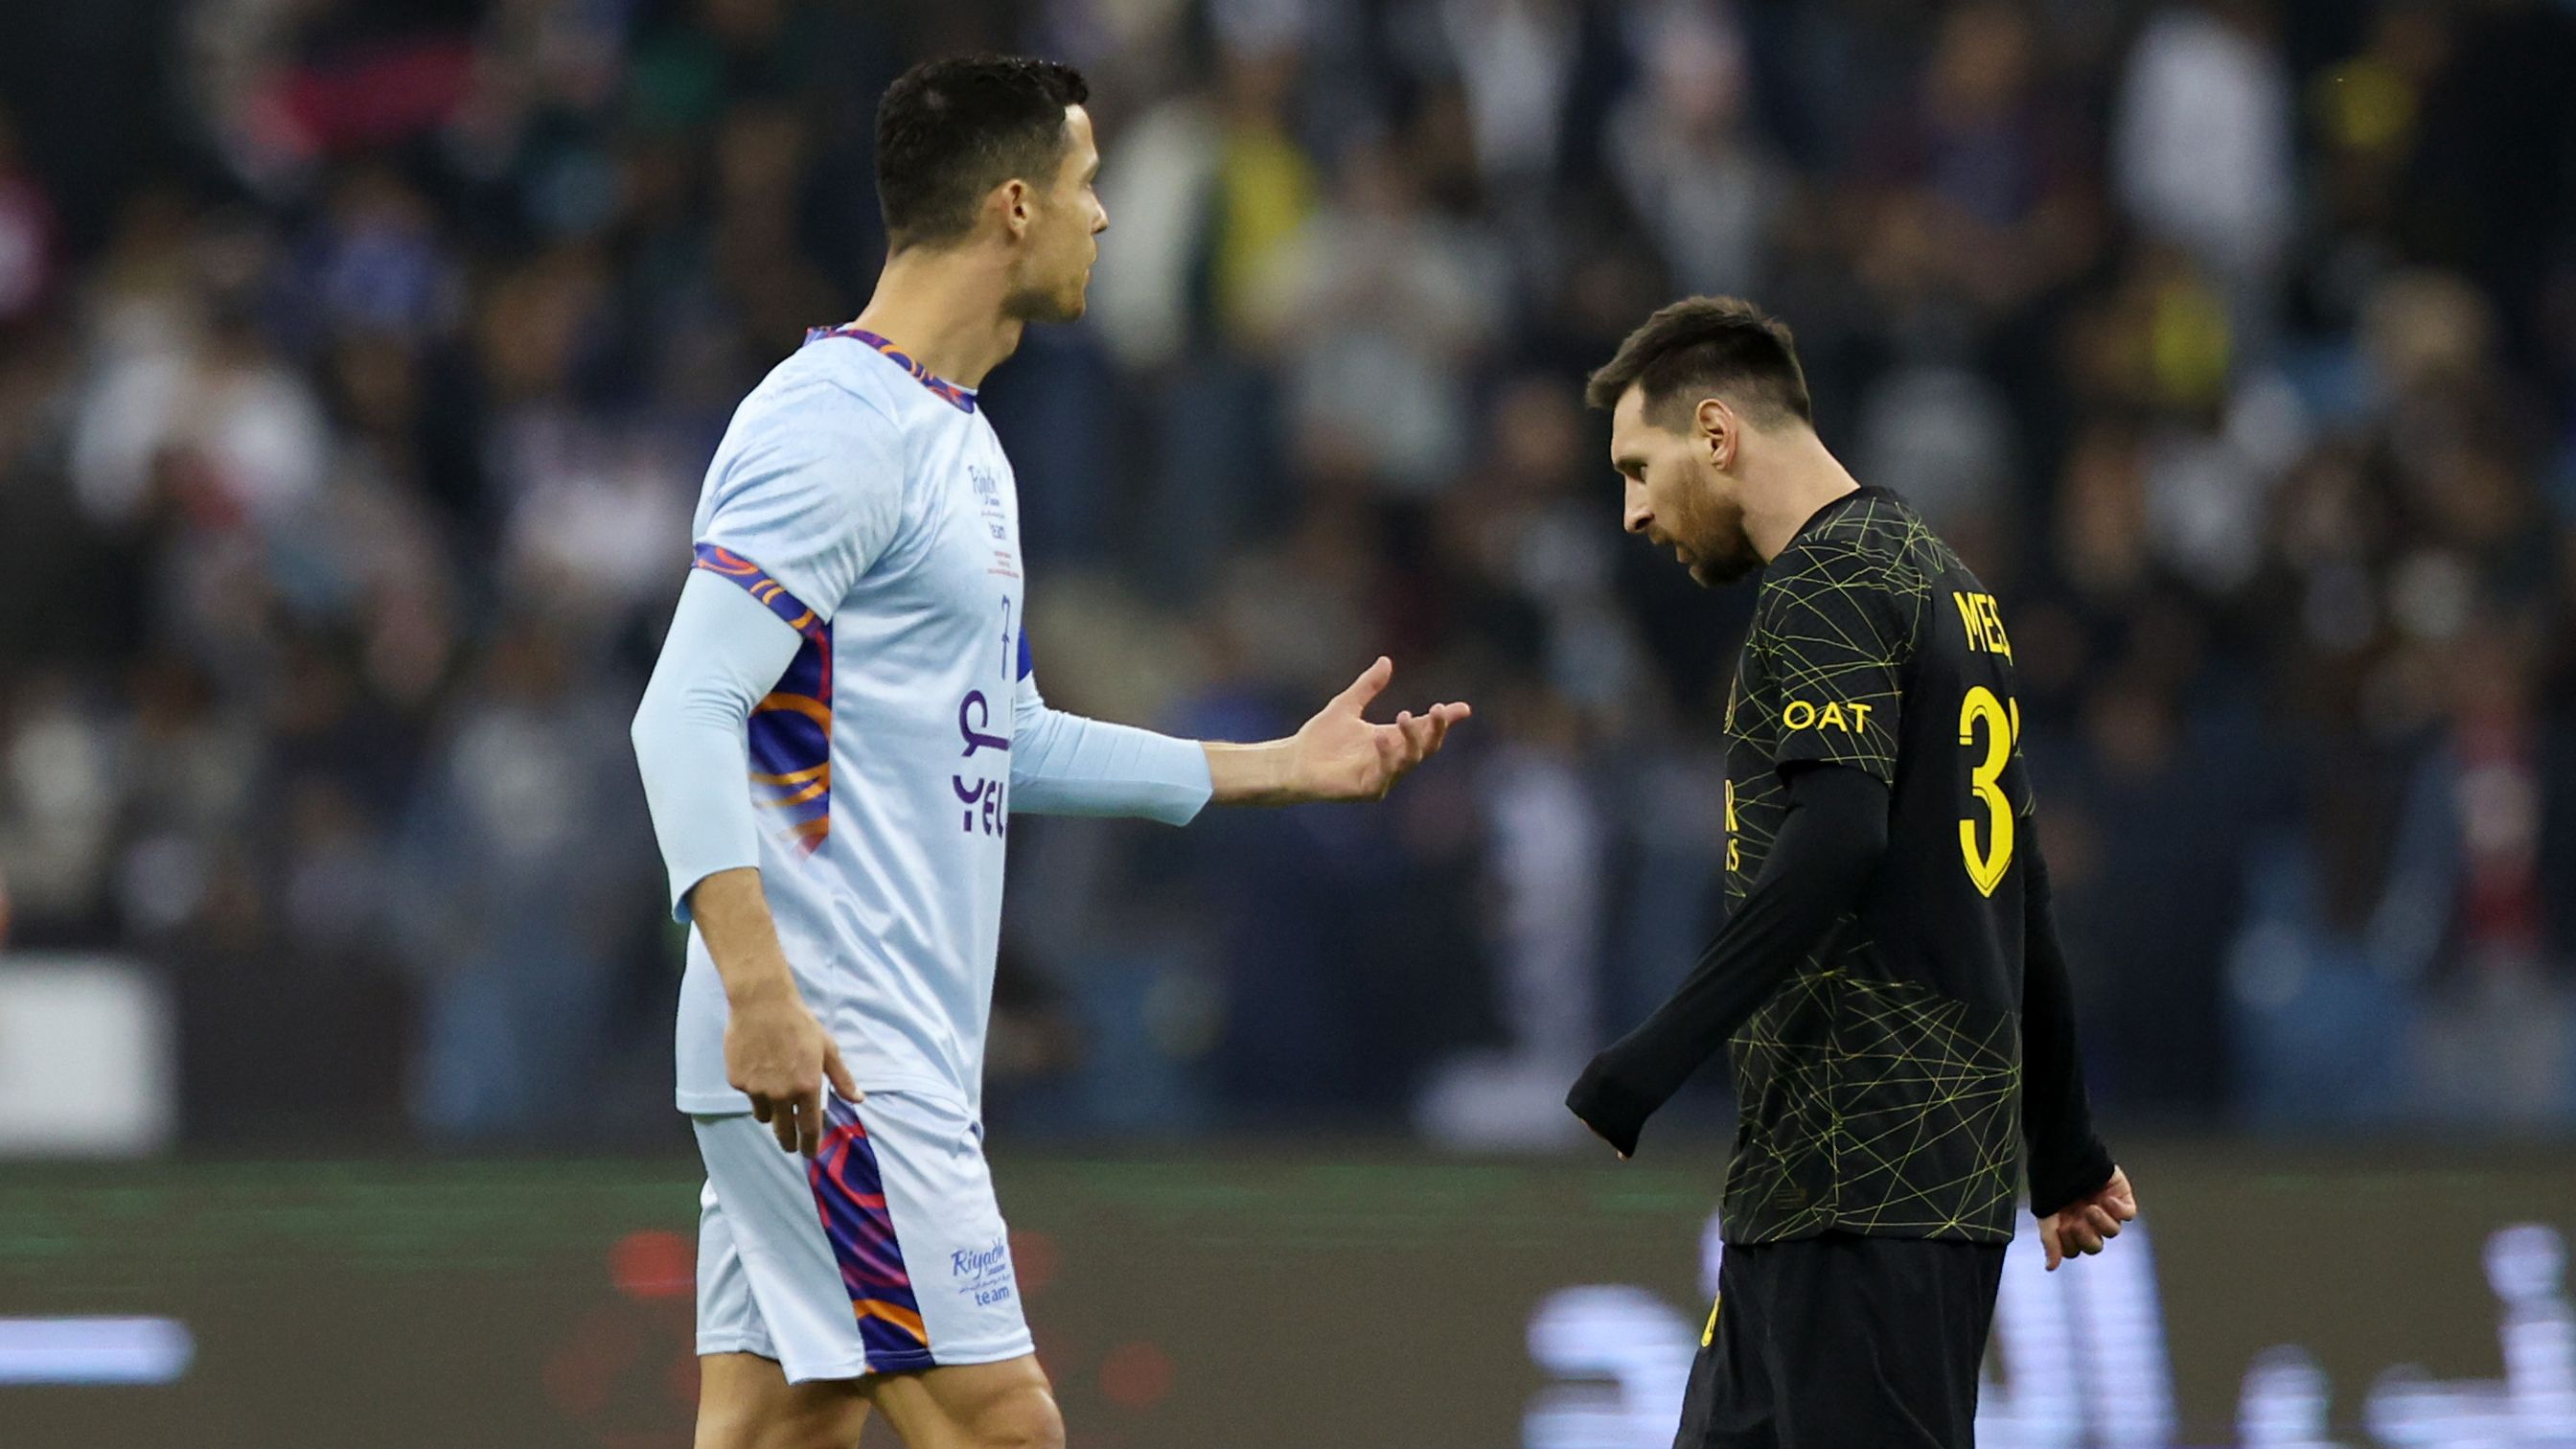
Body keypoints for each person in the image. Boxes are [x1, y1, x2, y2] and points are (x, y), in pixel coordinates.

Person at [629, 56, 1467, 1449]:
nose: (1105, 220)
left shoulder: (959, 443)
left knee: (788, 1426)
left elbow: (1001, 738)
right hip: (833, 1045)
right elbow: (683, 711)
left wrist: (1276, 767)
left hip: (853, 1045)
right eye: (1088, 187)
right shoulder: (830, 421)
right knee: (1005, 1425)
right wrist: (761, 990)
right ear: (1014, 207)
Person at [1562, 296, 2134, 1449]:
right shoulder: (1950, 585)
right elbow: (2018, 892)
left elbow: (1837, 839)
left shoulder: (1822, 582)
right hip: (1833, 1196)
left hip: (1862, 1192)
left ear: (1716, 434)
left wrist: (1651, 1057)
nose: (1631, 511)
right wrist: (2063, 1144)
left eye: (1638, 466)